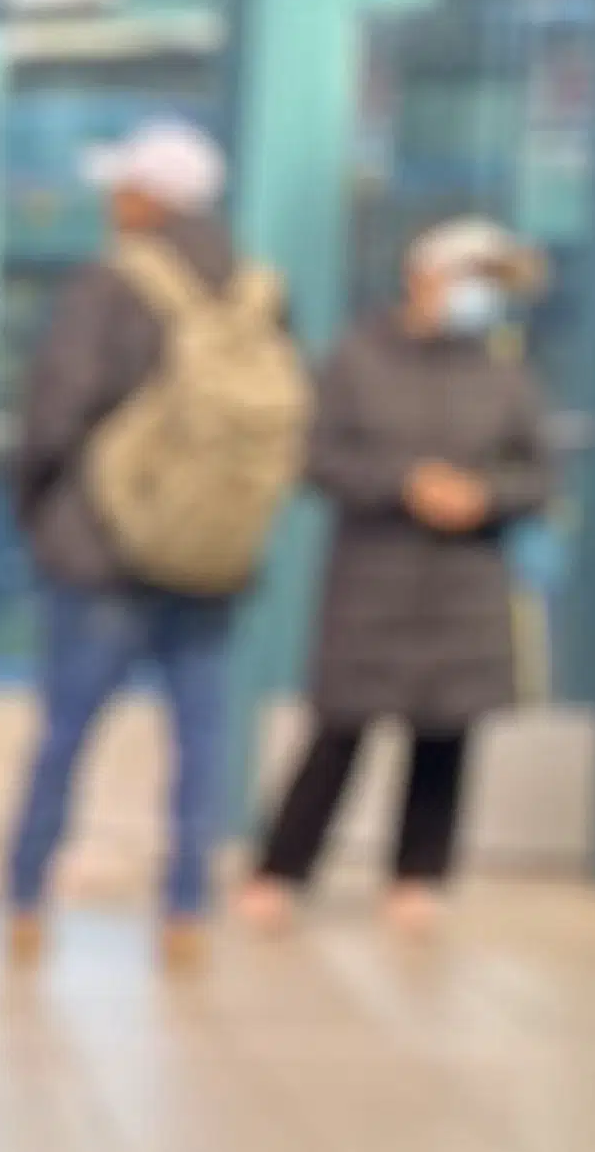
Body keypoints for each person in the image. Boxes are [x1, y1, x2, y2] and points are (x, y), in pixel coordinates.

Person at [0, 113, 302, 970]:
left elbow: (54, 412)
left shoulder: (107, 286)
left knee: (67, 728)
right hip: (213, 558)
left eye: (118, 187)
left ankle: (27, 891)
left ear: (144, 199)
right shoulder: (260, 291)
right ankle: (185, 907)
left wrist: (38, 511)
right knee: (200, 737)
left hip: (101, 554)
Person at [236, 215, 551, 935]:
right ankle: (282, 867)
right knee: (340, 728)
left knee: (445, 734)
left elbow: (537, 473)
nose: (478, 296)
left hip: (465, 585)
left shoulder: (505, 376)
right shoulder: (355, 360)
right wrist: (404, 483)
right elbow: (317, 457)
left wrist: (484, 497)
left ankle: (418, 873)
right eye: (469, 278)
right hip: (373, 575)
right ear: (423, 276)